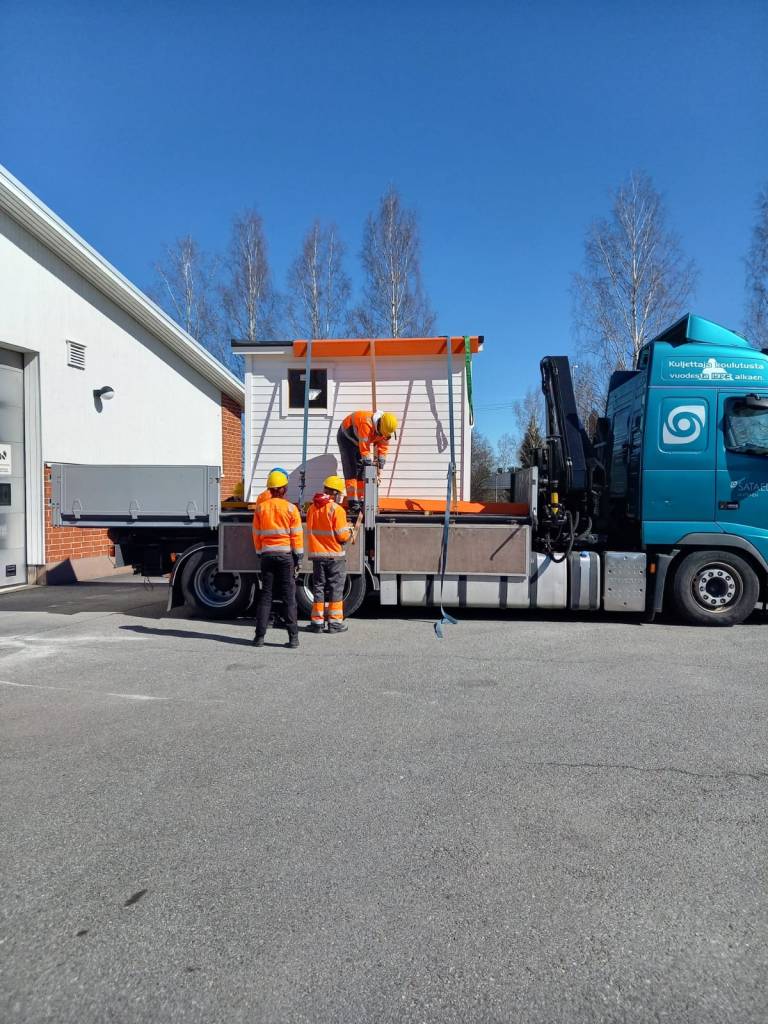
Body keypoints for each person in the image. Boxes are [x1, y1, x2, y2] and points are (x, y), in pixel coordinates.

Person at [251, 469, 303, 648]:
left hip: (267, 555)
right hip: (285, 556)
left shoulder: (261, 508)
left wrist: (260, 552)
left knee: (266, 596)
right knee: (289, 597)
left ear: (270, 489)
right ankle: (293, 638)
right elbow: (296, 535)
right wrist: (299, 555)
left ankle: (259, 638)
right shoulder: (291, 508)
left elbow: (256, 533)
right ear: (283, 489)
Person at [306, 475, 352, 633]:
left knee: (318, 588)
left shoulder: (312, 508)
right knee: (335, 589)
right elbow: (342, 536)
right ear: (335, 493)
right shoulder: (336, 510)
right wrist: (349, 531)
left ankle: (317, 623)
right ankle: (335, 623)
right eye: (340, 493)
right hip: (334, 556)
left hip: (317, 556)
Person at [337, 410, 398, 514]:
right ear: (379, 425)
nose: (383, 436)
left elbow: (383, 448)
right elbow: (364, 448)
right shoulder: (366, 424)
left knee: (361, 471)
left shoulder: (386, 430)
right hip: (346, 437)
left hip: (359, 440)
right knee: (351, 470)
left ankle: (360, 500)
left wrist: (380, 464)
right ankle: (353, 503)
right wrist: (369, 465)